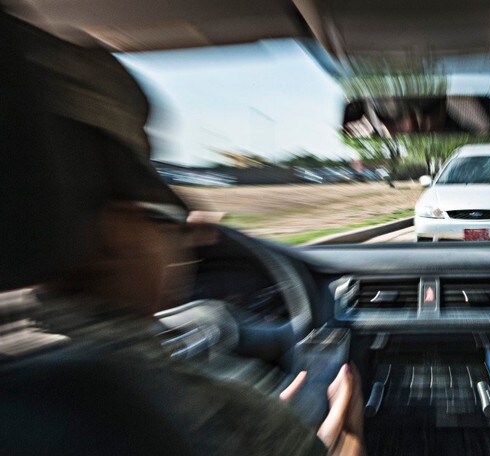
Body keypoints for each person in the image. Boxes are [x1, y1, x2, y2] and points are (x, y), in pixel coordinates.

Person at [0, 10, 364, 456]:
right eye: (162, 216)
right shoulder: (147, 401)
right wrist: (344, 429)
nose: (195, 235)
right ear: (116, 232)